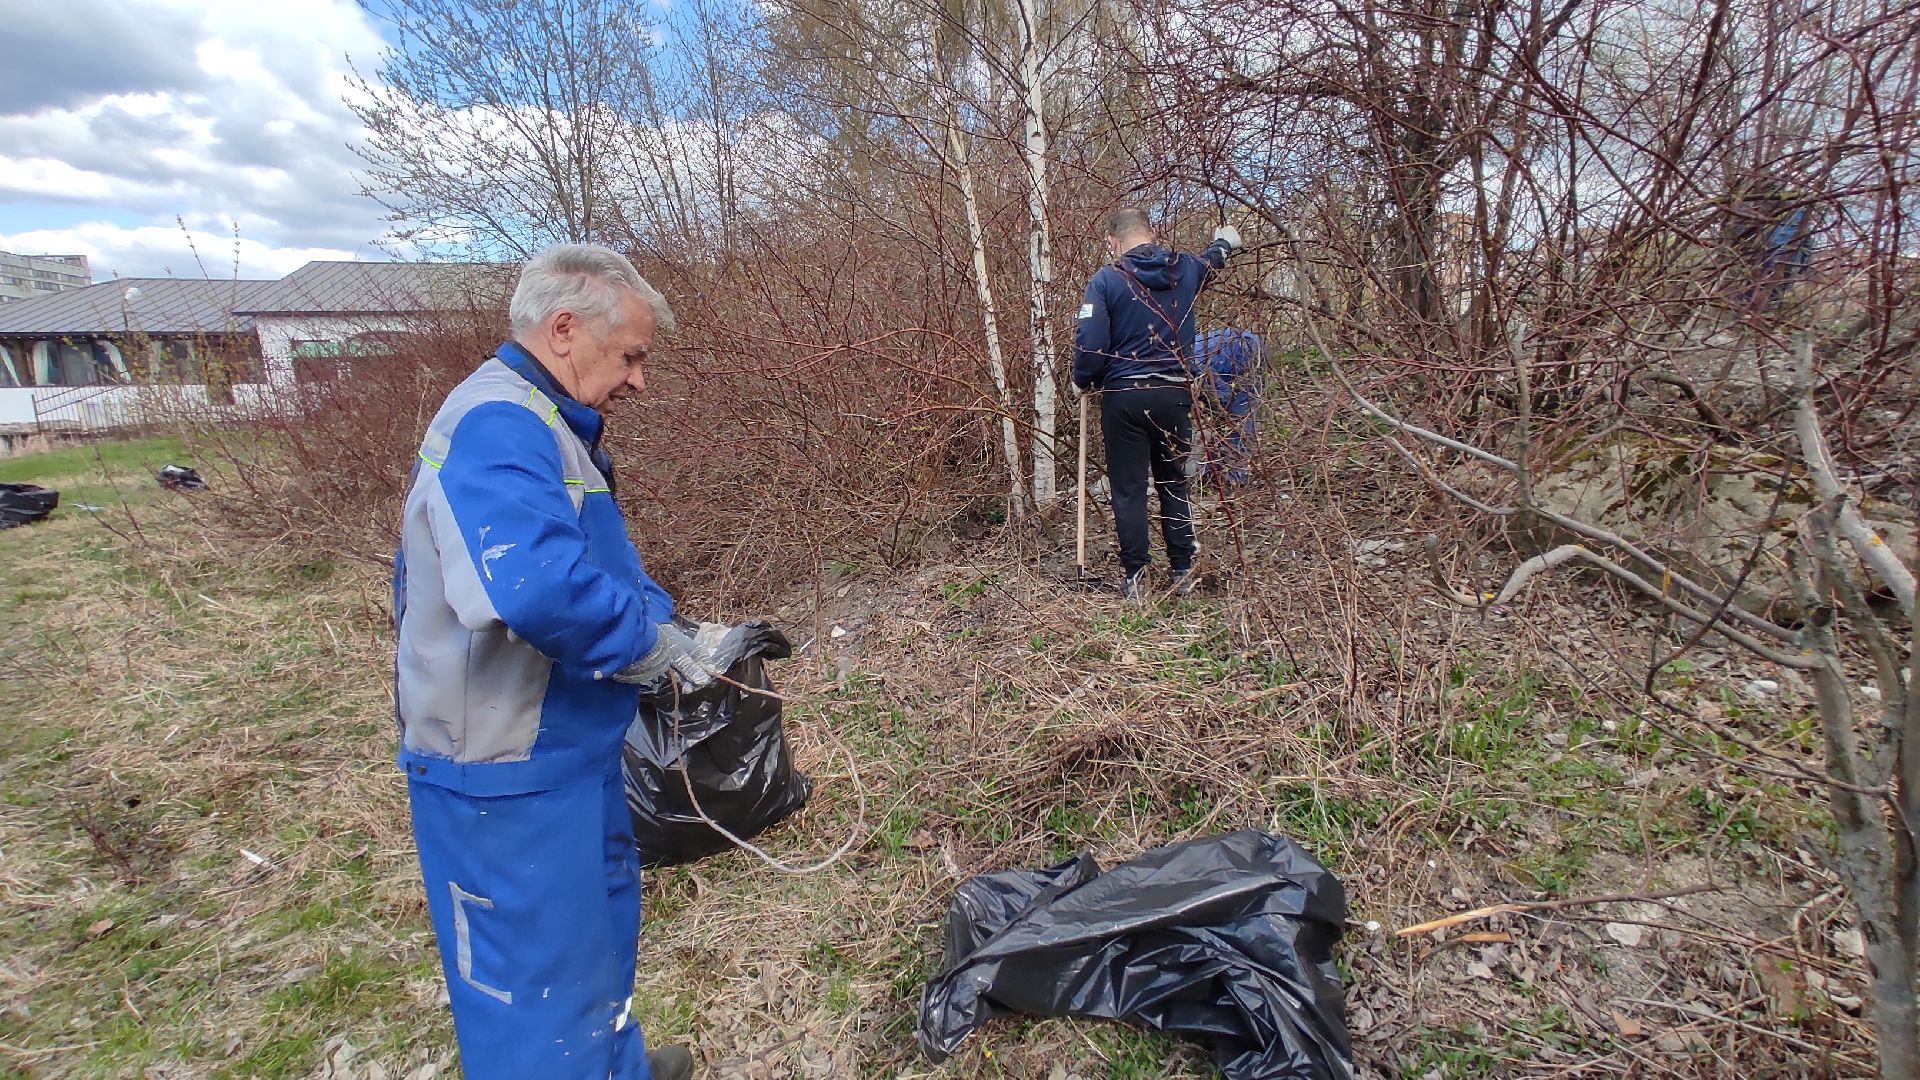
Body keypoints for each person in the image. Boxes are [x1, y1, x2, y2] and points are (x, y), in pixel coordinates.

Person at [392, 244, 714, 1080]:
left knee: (594, 946)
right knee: (531, 990)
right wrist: (643, 647)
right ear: (564, 328)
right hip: (504, 772)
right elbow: (534, 586)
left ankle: (612, 1065)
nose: (638, 379)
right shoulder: (498, 424)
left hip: (569, 748)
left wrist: (672, 626)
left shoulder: (550, 426)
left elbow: (599, 565)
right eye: (631, 355)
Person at [1072, 205, 1243, 599]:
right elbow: (1212, 260)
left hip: (1125, 398)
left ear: (1112, 242)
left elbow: (1091, 345)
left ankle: (1136, 578)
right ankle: (1182, 569)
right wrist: (1226, 241)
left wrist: (1082, 379)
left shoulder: (1106, 280)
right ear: (1152, 231)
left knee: (1129, 489)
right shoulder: (1182, 269)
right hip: (1174, 395)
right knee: (1173, 483)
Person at [1193, 327, 1267, 488]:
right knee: (1217, 421)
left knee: (1238, 419)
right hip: (1223, 358)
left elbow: (1222, 401)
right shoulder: (1182, 355)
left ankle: (1233, 479)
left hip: (1244, 354)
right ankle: (1213, 472)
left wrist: (1219, 407)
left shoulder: (1194, 362)